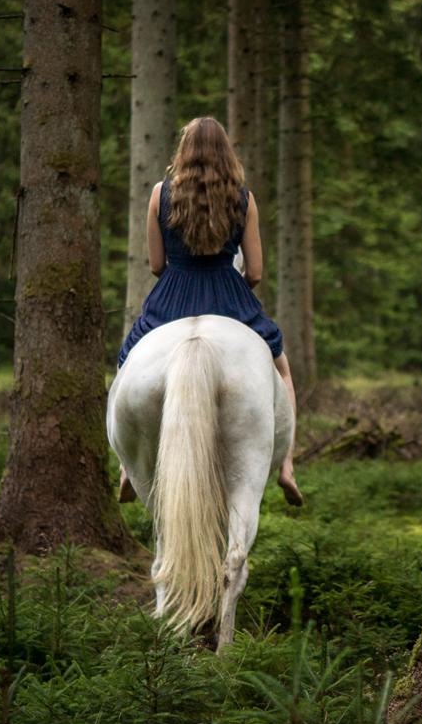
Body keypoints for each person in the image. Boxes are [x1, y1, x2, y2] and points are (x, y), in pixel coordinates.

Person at [117, 116, 303, 507]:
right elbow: (255, 271)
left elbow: (155, 265)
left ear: (183, 153)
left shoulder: (159, 194)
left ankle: (127, 468)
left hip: (173, 293)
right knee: (282, 368)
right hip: (228, 293)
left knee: (127, 364)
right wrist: (234, 287)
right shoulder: (243, 197)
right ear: (225, 153)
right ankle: (286, 466)